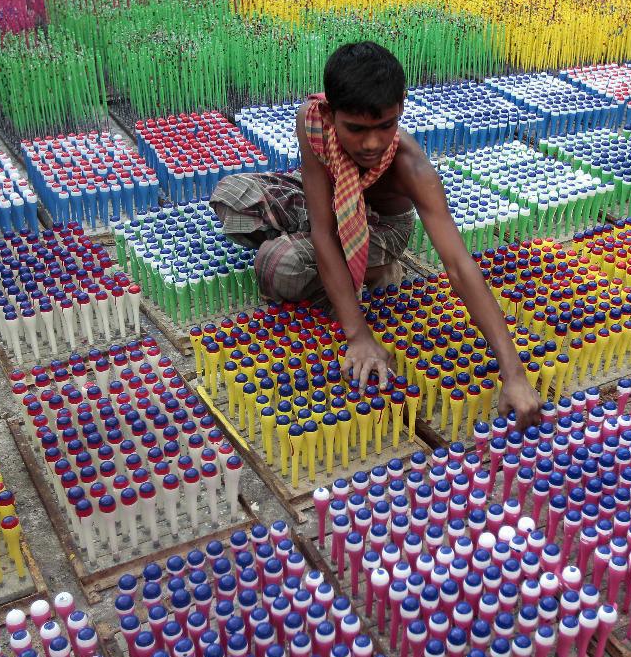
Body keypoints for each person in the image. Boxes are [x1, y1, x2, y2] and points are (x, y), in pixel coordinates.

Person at [210, 41, 541, 428]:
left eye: (385, 126)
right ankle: (359, 270)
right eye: (357, 129)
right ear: (332, 115)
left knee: (279, 263)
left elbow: (458, 265)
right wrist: (358, 335)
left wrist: (514, 373)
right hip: (332, 201)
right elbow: (323, 226)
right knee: (230, 197)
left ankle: (375, 266)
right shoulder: (312, 120)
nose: (372, 143)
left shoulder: (410, 168)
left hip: (383, 224)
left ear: (401, 106)